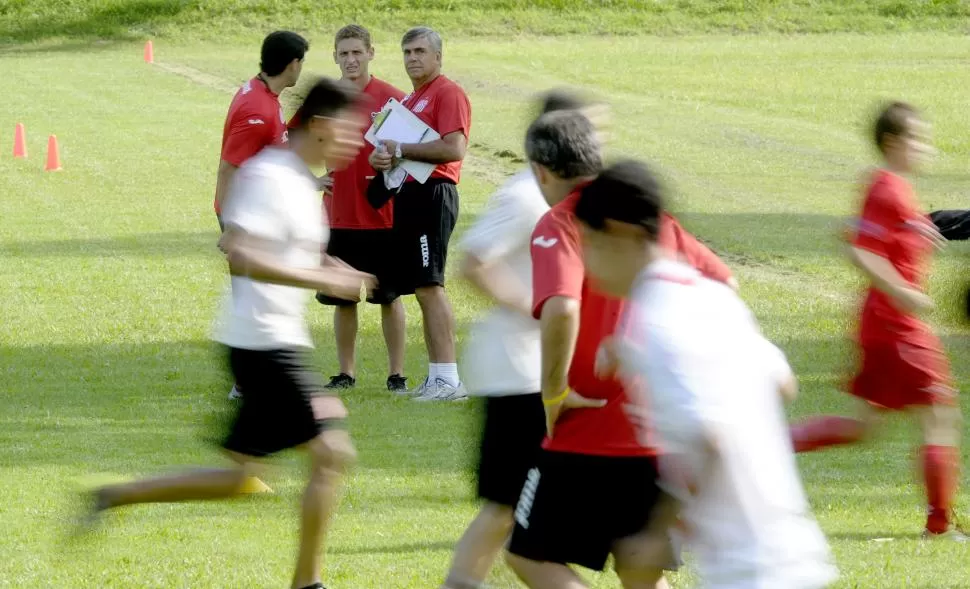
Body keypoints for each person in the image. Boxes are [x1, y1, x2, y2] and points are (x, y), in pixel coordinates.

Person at [83, 78, 374, 589]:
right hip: (264, 343)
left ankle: (115, 495)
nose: (358, 143)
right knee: (333, 455)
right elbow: (239, 252)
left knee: (243, 478)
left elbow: (287, 251)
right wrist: (322, 277)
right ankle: (308, 584)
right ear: (323, 126)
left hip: (266, 340)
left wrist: (336, 266)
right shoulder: (271, 176)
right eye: (353, 131)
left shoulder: (300, 180)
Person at [578, 159, 839, 589]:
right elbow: (782, 382)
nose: (585, 259)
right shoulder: (712, 297)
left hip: (746, 570)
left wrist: (657, 528)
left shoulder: (652, 325)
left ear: (619, 231)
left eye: (588, 242)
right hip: (794, 551)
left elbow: (711, 434)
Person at [504, 110, 735, 589]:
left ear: (540, 171)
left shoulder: (562, 222)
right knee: (641, 571)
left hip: (584, 433)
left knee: (527, 555)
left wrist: (553, 394)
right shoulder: (652, 221)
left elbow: (562, 308)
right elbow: (724, 283)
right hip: (656, 431)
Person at [441, 90, 598, 589]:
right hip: (518, 373)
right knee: (509, 505)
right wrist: (540, 309)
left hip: (536, 367)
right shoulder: (526, 195)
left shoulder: (564, 197)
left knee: (510, 506)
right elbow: (474, 263)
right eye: (592, 130)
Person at [789, 102, 966, 540]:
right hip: (897, 325)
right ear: (892, 143)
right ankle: (940, 527)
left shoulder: (895, 191)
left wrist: (918, 230)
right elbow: (859, 249)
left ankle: (771, 443)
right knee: (940, 416)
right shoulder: (886, 187)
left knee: (864, 428)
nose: (926, 148)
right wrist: (903, 291)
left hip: (883, 324)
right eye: (917, 139)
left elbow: (866, 236)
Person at [370, 26, 472, 401]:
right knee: (421, 288)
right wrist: (381, 157)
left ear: (438, 56)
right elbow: (398, 152)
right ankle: (436, 376)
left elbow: (454, 148)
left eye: (420, 51)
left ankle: (449, 379)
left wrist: (402, 149)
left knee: (431, 285)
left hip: (434, 194)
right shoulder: (411, 102)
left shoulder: (448, 92)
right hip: (409, 194)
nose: (412, 58)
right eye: (407, 52)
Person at [314, 24, 409, 393]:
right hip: (339, 215)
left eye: (357, 52)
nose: (351, 60)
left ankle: (396, 373)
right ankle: (345, 372)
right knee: (343, 299)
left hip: (383, 216)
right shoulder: (326, 101)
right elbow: (291, 142)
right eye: (344, 53)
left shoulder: (392, 100)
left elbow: (415, 152)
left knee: (390, 296)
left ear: (371, 52)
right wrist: (314, 180)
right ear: (334, 56)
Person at [215, 30, 309, 401]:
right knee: (252, 299)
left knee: (261, 295)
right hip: (248, 220)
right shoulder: (257, 109)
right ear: (293, 64)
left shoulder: (262, 94)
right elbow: (229, 167)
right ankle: (245, 383)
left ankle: (250, 381)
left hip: (259, 215)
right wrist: (230, 225)